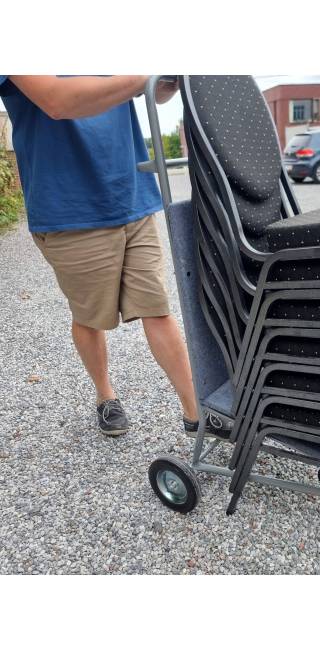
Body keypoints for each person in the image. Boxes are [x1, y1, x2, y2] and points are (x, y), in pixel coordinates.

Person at [0, 75, 229, 438]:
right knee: (91, 317)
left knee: (156, 308)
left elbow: (155, 91)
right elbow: (57, 101)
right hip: (70, 209)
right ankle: (105, 395)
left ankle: (198, 413)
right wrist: (142, 76)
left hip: (132, 192)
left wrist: (167, 76)